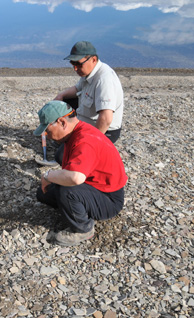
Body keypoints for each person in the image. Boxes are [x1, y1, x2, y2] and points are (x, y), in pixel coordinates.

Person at [33, 101, 127, 246]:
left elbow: (76, 178)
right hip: (93, 186)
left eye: (47, 130)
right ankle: (78, 208)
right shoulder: (75, 132)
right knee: (43, 193)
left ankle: (83, 229)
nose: (46, 135)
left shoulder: (85, 140)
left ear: (62, 122)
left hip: (109, 199)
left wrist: (48, 176)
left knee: (67, 189)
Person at [53, 41, 124, 163]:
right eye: (72, 63)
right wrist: (61, 96)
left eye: (78, 64)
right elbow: (77, 89)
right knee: (62, 103)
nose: (75, 68)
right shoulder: (88, 72)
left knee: (61, 157)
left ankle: (96, 150)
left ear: (93, 60)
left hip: (105, 131)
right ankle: (68, 135)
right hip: (85, 120)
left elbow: (106, 119)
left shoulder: (105, 80)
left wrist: (91, 143)